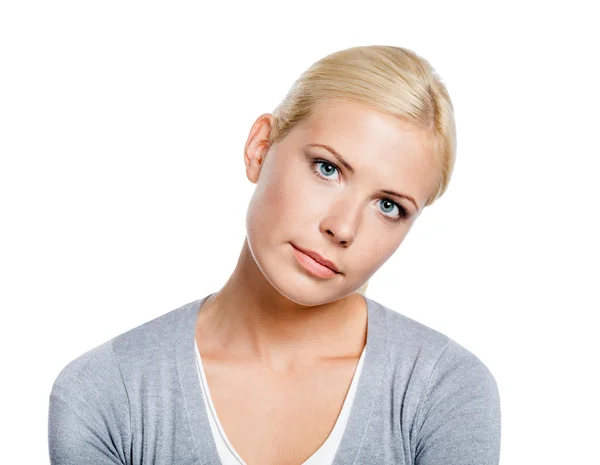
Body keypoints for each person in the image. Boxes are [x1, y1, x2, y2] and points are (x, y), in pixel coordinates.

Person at [48, 45, 501, 465]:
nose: (342, 228)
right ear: (260, 147)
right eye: (328, 168)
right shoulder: (107, 393)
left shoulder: (443, 391)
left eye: (389, 206)